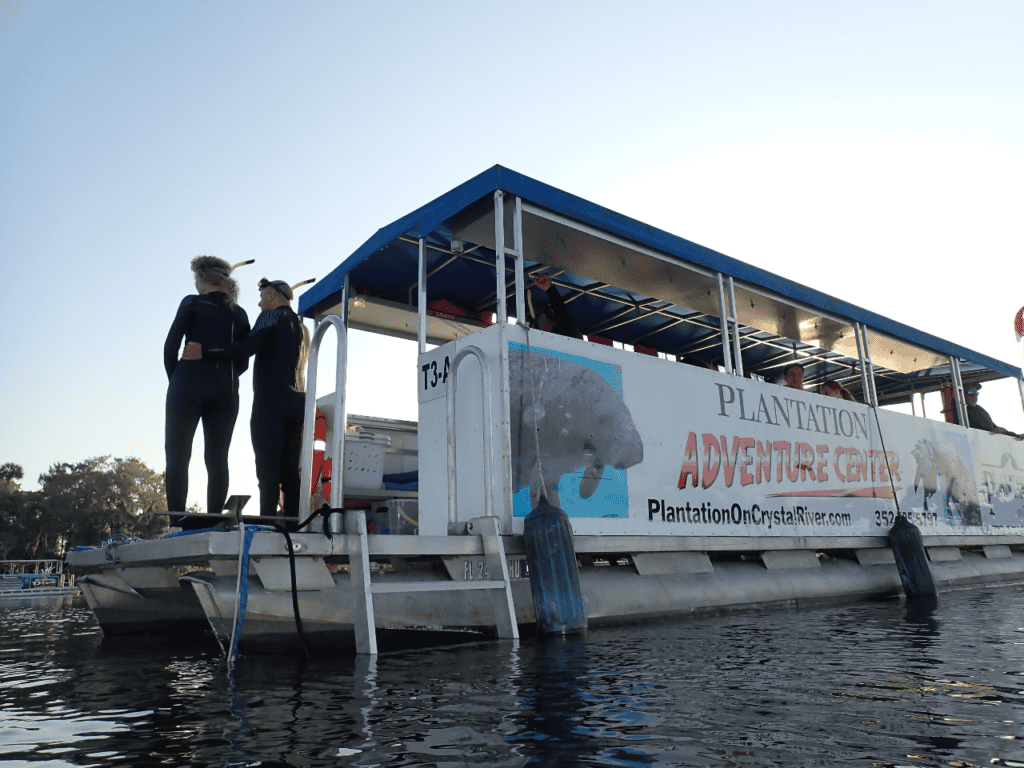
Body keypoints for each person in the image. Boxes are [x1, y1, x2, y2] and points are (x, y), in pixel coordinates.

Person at [194, 278, 312, 517]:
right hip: (299, 403)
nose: (258, 304)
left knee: (267, 470)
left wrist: (205, 351)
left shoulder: (271, 317)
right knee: (291, 472)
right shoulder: (304, 328)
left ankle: (268, 522)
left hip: (271, 404)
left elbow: (246, 348)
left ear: (270, 297)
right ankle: (293, 524)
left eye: (261, 298)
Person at [164, 256, 250, 519]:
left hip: (187, 383)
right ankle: (214, 519)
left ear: (202, 280)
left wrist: (177, 380)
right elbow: (243, 362)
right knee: (217, 458)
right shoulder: (239, 313)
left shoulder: (191, 302)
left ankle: (177, 521)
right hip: (225, 389)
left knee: (178, 455)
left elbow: (170, 347)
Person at [528, 273, 583, 339]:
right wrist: (549, 289)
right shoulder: (538, 341)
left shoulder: (567, 331)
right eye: (548, 314)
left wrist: (549, 289)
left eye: (549, 314)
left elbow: (560, 312)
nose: (545, 317)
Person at [957, 384, 1022, 438]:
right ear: (961, 394)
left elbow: (995, 428)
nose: (975, 397)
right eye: (971, 393)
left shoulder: (979, 409)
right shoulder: (959, 409)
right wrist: (992, 431)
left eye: (976, 393)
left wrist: (1017, 436)